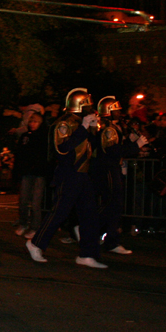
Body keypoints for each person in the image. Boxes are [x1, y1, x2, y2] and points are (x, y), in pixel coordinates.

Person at [25, 88, 106, 268]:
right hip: (69, 174)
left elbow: (92, 149)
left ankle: (87, 254)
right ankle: (36, 243)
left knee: (90, 216)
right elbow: (62, 150)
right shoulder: (64, 123)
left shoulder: (81, 122)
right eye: (87, 104)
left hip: (82, 174)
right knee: (59, 213)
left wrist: (94, 128)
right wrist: (84, 128)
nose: (90, 108)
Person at [93, 96, 148, 254]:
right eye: (116, 110)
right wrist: (136, 146)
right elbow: (113, 151)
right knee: (112, 205)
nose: (119, 113)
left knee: (112, 206)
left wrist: (130, 142)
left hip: (111, 169)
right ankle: (106, 238)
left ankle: (104, 236)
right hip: (109, 169)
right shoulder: (108, 129)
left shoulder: (112, 127)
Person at [13, 111, 49, 238]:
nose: (32, 124)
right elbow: (19, 155)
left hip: (39, 173)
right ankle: (23, 223)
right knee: (23, 199)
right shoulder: (25, 137)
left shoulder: (44, 137)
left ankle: (35, 227)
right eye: (31, 121)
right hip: (26, 172)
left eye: (35, 122)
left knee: (35, 202)